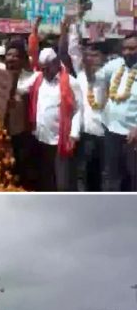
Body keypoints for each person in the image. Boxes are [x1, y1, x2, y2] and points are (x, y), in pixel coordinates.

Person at [17, 44, 84, 191]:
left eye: (47, 68)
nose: (44, 71)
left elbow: (79, 110)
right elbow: (20, 89)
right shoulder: (38, 78)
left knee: (61, 180)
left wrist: (74, 134)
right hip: (40, 137)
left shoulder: (71, 82)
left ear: (55, 63)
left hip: (59, 140)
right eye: (42, 68)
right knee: (44, 177)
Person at [60, 16, 108, 191]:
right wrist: (72, 24)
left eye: (94, 55)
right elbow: (73, 50)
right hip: (86, 135)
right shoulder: (80, 75)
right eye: (87, 56)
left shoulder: (112, 76)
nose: (90, 59)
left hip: (106, 135)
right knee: (82, 174)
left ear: (103, 58)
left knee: (104, 176)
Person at [92, 33, 137, 191]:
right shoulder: (116, 64)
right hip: (111, 131)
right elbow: (96, 77)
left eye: (131, 48)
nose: (126, 52)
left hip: (133, 136)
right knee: (111, 176)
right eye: (124, 48)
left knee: (132, 178)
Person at [5, 40, 40, 190]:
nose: (11, 58)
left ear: (23, 60)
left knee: (22, 167)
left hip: (21, 132)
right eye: (9, 54)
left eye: (16, 56)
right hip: (2, 132)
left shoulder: (31, 78)